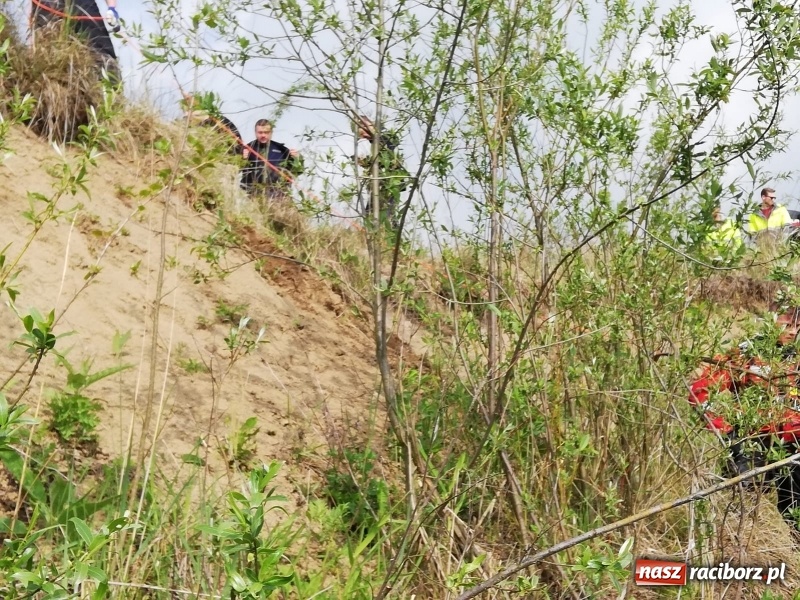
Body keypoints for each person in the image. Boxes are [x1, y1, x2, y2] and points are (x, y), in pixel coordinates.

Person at [688, 306, 800, 527]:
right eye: (787, 325)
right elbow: (699, 391)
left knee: (795, 508)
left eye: (797, 327)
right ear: (769, 320)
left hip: (790, 441)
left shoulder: (794, 357)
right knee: (740, 505)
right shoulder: (746, 354)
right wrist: (724, 427)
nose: (793, 332)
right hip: (752, 439)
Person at [31, 0, 121, 82]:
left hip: (81, 4)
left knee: (102, 54)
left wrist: (111, 7)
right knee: (46, 55)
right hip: (46, 4)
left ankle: (112, 89)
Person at [356, 116, 410, 230]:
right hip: (383, 183)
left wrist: (369, 161)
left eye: (365, 130)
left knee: (388, 212)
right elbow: (378, 163)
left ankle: (393, 235)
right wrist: (365, 163)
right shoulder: (373, 143)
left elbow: (393, 144)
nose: (364, 135)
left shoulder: (384, 136)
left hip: (392, 182)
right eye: (362, 134)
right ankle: (373, 233)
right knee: (371, 211)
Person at [239, 119, 303, 200]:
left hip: (278, 196)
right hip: (252, 196)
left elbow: (297, 171)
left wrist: (298, 159)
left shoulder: (282, 150)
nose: (263, 135)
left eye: (266, 132)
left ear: (271, 133)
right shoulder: (247, 149)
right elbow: (235, 170)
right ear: (255, 132)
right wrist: (242, 159)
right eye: (260, 132)